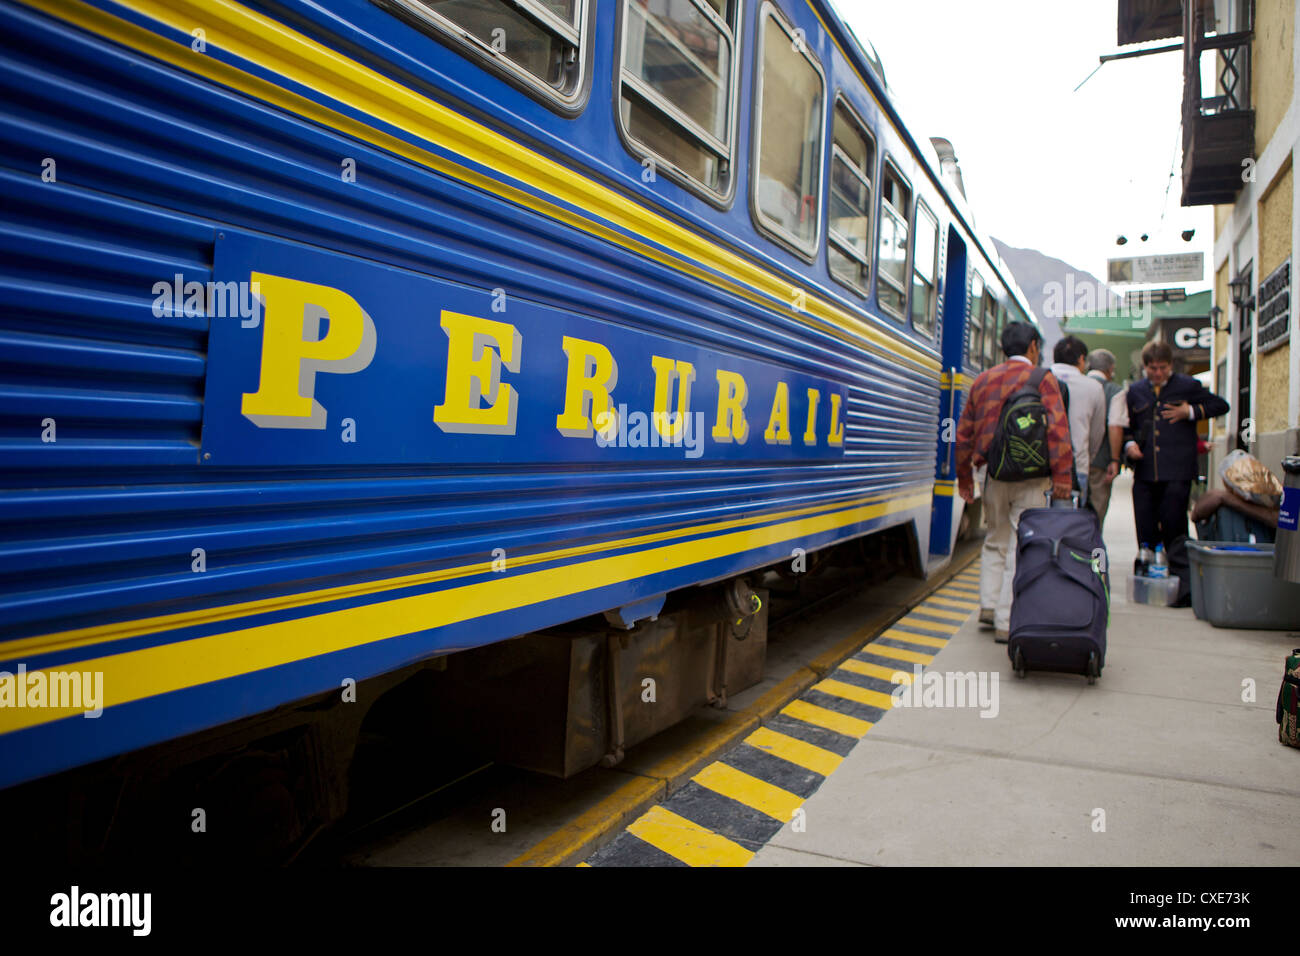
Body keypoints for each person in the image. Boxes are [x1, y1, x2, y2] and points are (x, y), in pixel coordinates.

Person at [956, 321, 1073, 643]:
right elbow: (1058, 430)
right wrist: (1063, 477)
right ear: (1033, 346)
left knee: (996, 538)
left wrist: (964, 477)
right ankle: (1007, 622)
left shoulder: (983, 380)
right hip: (1033, 477)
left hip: (993, 473)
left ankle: (990, 605)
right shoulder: (1042, 379)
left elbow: (963, 434)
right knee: (1023, 544)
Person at [1121, 341, 1230, 606]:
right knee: (1146, 527)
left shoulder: (1187, 386)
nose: (1157, 373)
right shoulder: (1135, 391)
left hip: (1177, 470)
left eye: (1162, 368)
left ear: (1170, 366)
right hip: (1146, 472)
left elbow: (1221, 405)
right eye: (1152, 368)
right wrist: (1129, 445)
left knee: (1174, 527)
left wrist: (1190, 411)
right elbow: (1127, 427)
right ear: (1144, 367)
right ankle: (1149, 581)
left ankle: (1183, 588)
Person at [1049, 336, 1105, 507]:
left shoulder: (1039, 379)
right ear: (1081, 359)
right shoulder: (1093, 387)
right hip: (1076, 466)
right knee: (1068, 528)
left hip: (1039, 468)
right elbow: (1097, 432)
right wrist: (1087, 456)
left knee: (1037, 526)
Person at [1085, 349, 1125, 527]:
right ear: (1111, 369)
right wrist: (1115, 459)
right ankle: (1092, 552)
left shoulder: (1077, 384)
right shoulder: (1115, 391)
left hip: (1071, 460)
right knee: (1096, 515)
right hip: (1099, 462)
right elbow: (1114, 425)